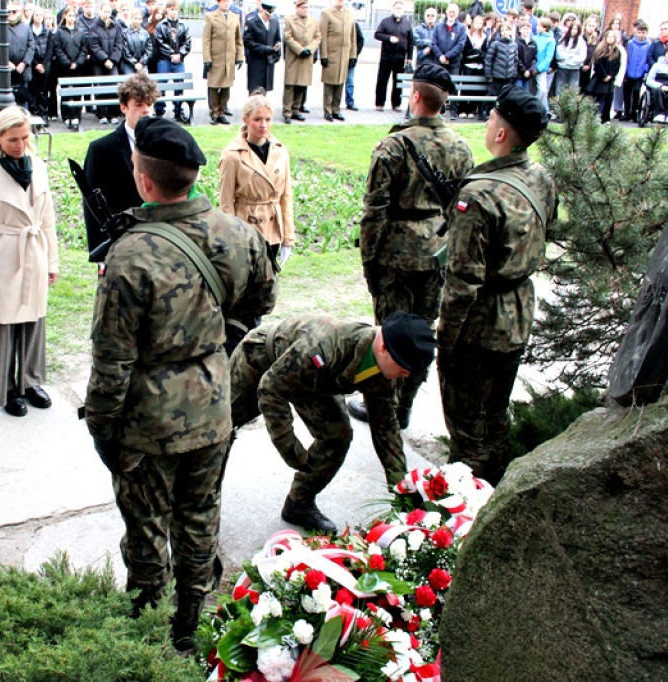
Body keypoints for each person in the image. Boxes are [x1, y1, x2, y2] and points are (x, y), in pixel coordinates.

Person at [83, 117, 277, 653]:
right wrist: (219, 345)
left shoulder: (130, 255)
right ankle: (189, 630)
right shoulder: (239, 234)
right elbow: (261, 304)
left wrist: (102, 428)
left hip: (148, 426)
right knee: (199, 521)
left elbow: (112, 363)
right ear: (191, 177)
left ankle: (146, 639)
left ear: (143, 179)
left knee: (147, 535)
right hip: (214, 409)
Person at [438, 85, 557, 486]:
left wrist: (447, 339)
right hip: (519, 312)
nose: (488, 124)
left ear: (502, 132)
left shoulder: (478, 195)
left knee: (467, 429)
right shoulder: (540, 177)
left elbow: (462, 280)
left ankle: (462, 508)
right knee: (496, 416)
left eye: (491, 118)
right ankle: (500, 489)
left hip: (479, 325)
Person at [350, 64, 473, 431]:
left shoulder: (393, 145)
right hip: (438, 250)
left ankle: (384, 407)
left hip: (395, 255)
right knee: (423, 330)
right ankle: (405, 406)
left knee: (389, 332)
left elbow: (375, 211)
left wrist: (368, 259)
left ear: (415, 96)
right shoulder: (461, 147)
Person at [230, 312, 436, 531]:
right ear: (384, 347)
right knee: (217, 433)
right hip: (261, 360)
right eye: (403, 367)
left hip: (315, 379)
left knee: (337, 436)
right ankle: (194, 502)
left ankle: (299, 503)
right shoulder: (323, 347)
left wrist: (400, 486)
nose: (404, 375)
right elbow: (271, 389)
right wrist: (290, 448)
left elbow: (385, 426)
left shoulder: (385, 369)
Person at [0, 106, 59, 418]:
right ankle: (6, 388)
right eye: (12, 140)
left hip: (33, 248)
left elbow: (47, 219)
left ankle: (31, 381)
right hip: (2, 255)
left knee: (33, 319)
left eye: (24, 137)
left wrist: (52, 262)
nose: (20, 145)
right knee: (2, 324)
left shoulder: (37, 165)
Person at [81, 72, 159, 256]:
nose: (146, 110)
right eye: (138, 105)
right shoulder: (101, 149)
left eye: (149, 104)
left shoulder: (165, 143)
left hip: (159, 242)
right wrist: (100, 253)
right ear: (123, 107)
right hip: (120, 245)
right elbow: (92, 206)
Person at [218, 93, 294, 267]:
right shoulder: (232, 155)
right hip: (246, 228)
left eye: (268, 119)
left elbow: (286, 196)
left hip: (273, 227)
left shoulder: (280, 151)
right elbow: (226, 202)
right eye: (257, 119)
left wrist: (288, 237)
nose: (263, 125)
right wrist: (231, 239)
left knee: (270, 284)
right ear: (245, 120)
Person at [203, 0, 243, 125]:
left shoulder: (235, 17)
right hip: (215, 58)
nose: (227, 3)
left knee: (226, 87)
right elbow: (206, 40)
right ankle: (214, 112)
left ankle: (222, 112)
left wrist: (240, 56)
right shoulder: (210, 17)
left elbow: (238, 40)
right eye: (224, 1)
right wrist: (207, 59)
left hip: (229, 59)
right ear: (218, 2)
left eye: (228, 1)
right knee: (214, 87)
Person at [152, 0, 191, 122]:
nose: (174, 12)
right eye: (172, 9)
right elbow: (160, 42)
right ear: (167, 10)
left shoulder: (183, 25)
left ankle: (178, 110)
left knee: (179, 85)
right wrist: (171, 54)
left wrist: (180, 54)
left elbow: (187, 42)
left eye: (176, 9)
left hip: (179, 61)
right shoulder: (161, 25)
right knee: (161, 86)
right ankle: (159, 110)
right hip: (164, 60)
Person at [282, 0, 319, 123]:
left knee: (302, 85)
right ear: (297, 8)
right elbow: (287, 37)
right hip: (294, 57)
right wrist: (300, 49)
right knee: (290, 85)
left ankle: (296, 110)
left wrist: (310, 49)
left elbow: (318, 37)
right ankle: (287, 111)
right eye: (303, 7)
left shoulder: (313, 20)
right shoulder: (289, 20)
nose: (305, 9)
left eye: (307, 7)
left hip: (307, 57)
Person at [319, 0, 356, 122]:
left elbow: (353, 37)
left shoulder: (350, 14)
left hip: (344, 56)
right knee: (329, 84)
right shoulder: (327, 13)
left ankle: (336, 110)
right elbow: (322, 35)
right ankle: (327, 110)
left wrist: (353, 55)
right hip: (331, 54)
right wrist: (323, 55)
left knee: (340, 83)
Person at [374, 0, 412, 113]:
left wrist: (409, 57)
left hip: (400, 58)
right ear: (393, 9)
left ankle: (396, 104)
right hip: (386, 57)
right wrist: (389, 38)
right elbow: (377, 34)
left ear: (403, 10)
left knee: (398, 82)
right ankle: (380, 103)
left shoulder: (407, 23)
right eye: (397, 8)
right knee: (382, 81)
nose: (398, 10)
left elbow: (411, 41)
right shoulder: (385, 22)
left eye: (401, 8)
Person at [88, 2, 123, 123]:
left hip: (112, 62)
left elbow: (119, 44)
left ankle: (112, 114)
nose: (106, 14)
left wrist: (112, 60)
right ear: (100, 11)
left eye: (108, 12)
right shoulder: (93, 27)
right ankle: (101, 114)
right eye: (104, 11)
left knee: (114, 87)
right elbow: (94, 46)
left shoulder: (116, 26)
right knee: (100, 88)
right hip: (98, 62)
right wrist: (104, 59)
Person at [53, 5, 86, 129]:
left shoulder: (81, 31)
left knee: (78, 91)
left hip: (78, 66)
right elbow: (58, 49)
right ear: (65, 16)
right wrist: (67, 62)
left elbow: (84, 49)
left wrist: (77, 62)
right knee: (66, 91)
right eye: (69, 15)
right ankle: (66, 116)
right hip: (64, 66)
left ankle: (76, 115)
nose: (72, 18)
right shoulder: (59, 32)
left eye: (73, 15)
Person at [433, 3, 466, 116]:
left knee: (454, 86)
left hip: (453, 63)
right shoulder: (438, 26)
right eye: (450, 11)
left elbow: (460, 45)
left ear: (457, 14)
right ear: (446, 12)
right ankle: (440, 109)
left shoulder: (461, 28)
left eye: (454, 12)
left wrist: (447, 56)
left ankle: (453, 111)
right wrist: (441, 56)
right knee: (440, 86)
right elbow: (433, 43)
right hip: (440, 61)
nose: (451, 14)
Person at [243, 0, 281, 94]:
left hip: (268, 61)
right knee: (255, 90)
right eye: (267, 14)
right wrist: (264, 49)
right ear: (262, 10)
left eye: (271, 14)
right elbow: (247, 41)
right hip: (256, 61)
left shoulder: (274, 22)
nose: (269, 16)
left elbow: (277, 38)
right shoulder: (252, 22)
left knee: (265, 89)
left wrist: (277, 50)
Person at [585, 30, 621, 124]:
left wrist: (610, 76)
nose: (610, 38)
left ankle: (605, 118)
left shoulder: (616, 51)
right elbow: (598, 64)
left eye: (612, 37)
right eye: (608, 36)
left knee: (607, 99)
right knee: (597, 98)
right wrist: (604, 76)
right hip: (599, 78)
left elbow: (617, 65)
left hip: (609, 79)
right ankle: (595, 116)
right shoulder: (600, 49)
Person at [459, 13, 487, 118]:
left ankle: (471, 110)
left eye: (480, 23)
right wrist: (475, 54)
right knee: (466, 87)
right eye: (476, 23)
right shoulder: (467, 35)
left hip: (479, 66)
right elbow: (467, 52)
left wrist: (477, 55)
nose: (478, 25)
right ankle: (462, 109)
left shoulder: (484, 36)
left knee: (475, 89)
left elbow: (483, 53)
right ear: (473, 23)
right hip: (468, 65)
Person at [28, 7, 53, 120]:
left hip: (45, 63)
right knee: (34, 90)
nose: (38, 17)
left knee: (44, 90)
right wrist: (36, 64)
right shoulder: (28, 30)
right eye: (36, 15)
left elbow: (50, 49)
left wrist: (43, 64)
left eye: (40, 15)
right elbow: (28, 48)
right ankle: (35, 112)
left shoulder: (47, 31)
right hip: (33, 63)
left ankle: (44, 114)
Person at [555, 19, 587, 94]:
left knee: (573, 92)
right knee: (559, 91)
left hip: (574, 70)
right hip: (562, 69)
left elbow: (582, 57)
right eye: (572, 28)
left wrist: (569, 59)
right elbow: (559, 54)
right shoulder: (562, 39)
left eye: (576, 29)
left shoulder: (581, 42)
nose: (574, 31)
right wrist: (570, 56)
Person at [121, 10, 151, 75]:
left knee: (145, 82)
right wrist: (134, 62)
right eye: (135, 18)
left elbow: (149, 50)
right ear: (131, 18)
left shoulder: (145, 33)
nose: (137, 20)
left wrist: (141, 62)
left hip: (142, 64)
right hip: (128, 64)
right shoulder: (124, 33)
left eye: (139, 19)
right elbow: (125, 50)